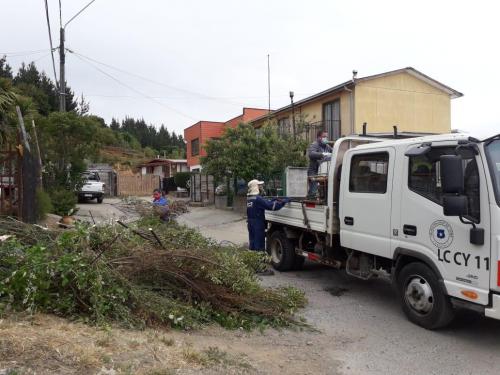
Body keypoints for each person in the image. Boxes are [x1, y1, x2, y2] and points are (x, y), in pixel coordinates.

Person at [247, 179, 290, 252]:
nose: (261, 187)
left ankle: (252, 259)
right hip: (257, 224)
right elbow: (271, 206)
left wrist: (273, 199)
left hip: (250, 223)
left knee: (253, 242)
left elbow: (263, 203)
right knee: (259, 243)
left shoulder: (250, 198)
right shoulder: (258, 199)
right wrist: (283, 202)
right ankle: (259, 260)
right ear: (255, 187)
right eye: (259, 186)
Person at [307, 130, 333, 198]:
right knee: (313, 188)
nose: (326, 138)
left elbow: (334, 152)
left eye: (326, 137)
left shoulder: (327, 146)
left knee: (324, 189)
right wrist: (322, 154)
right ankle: (311, 198)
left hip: (323, 171)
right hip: (314, 171)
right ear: (319, 137)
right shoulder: (314, 144)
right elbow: (311, 154)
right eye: (324, 136)